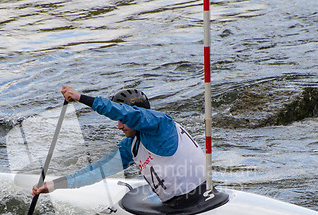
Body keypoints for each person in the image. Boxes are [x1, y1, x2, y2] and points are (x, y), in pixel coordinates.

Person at [32, 85, 207, 206]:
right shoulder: (130, 146)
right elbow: (97, 170)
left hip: (198, 197)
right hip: (180, 204)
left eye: (123, 120)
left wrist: (81, 98)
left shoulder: (162, 124)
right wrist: (53, 185)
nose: (119, 126)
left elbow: (125, 113)